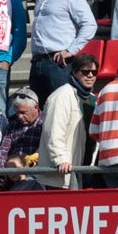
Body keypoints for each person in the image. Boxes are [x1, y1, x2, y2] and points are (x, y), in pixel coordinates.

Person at [39, 54, 96, 188]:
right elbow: (53, 131)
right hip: (62, 173)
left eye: (94, 72)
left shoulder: (94, 100)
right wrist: (60, 159)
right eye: (85, 72)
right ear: (74, 72)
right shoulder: (61, 96)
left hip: (84, 171)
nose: (90, 76)